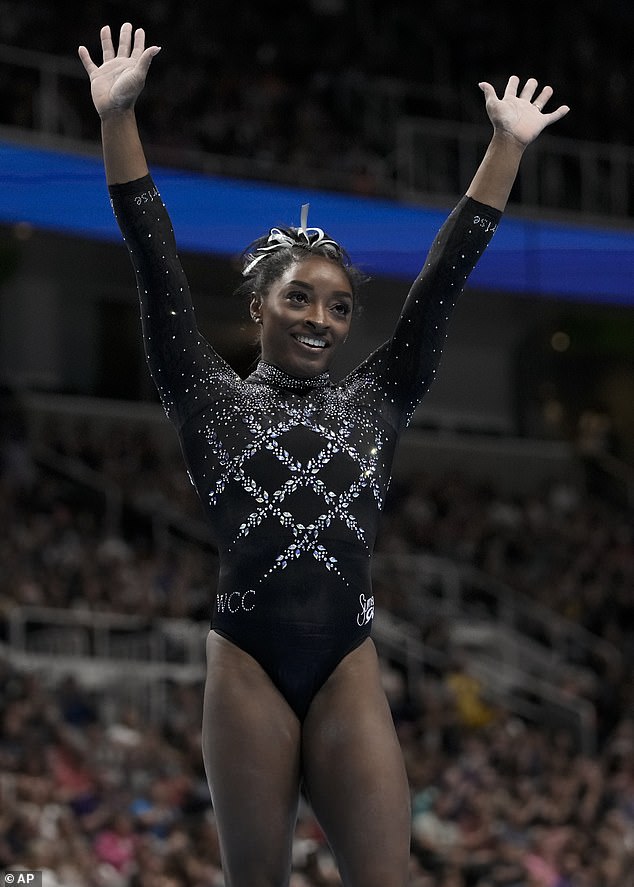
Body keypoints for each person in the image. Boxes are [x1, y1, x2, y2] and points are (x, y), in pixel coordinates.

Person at [79, 22, 569, 887]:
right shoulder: (207, 394)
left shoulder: (379, 397)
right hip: (246, 666)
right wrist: (117, 118)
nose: (319, 319)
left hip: (347, 659)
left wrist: (503, 149)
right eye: (299, 298)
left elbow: (441, 282)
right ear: (259, 305)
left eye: (339, 308)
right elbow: (153, 260)